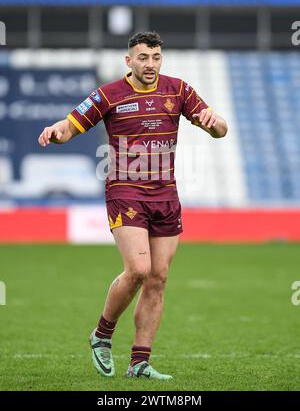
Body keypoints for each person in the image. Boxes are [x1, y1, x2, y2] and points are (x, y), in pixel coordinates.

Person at [38, 31, 228, 380]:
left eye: (156, 57)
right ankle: (102, 334)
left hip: (166, 193)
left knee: (158, 278)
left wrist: (215, 125)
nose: (150, 64)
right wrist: (56, 131)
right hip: (125, 190)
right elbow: (70, 126)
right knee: (139, 270)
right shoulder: (109, 94)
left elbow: (220, 127)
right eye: (143, 58)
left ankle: (139, 362)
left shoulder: (179, 90)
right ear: (129, 61)